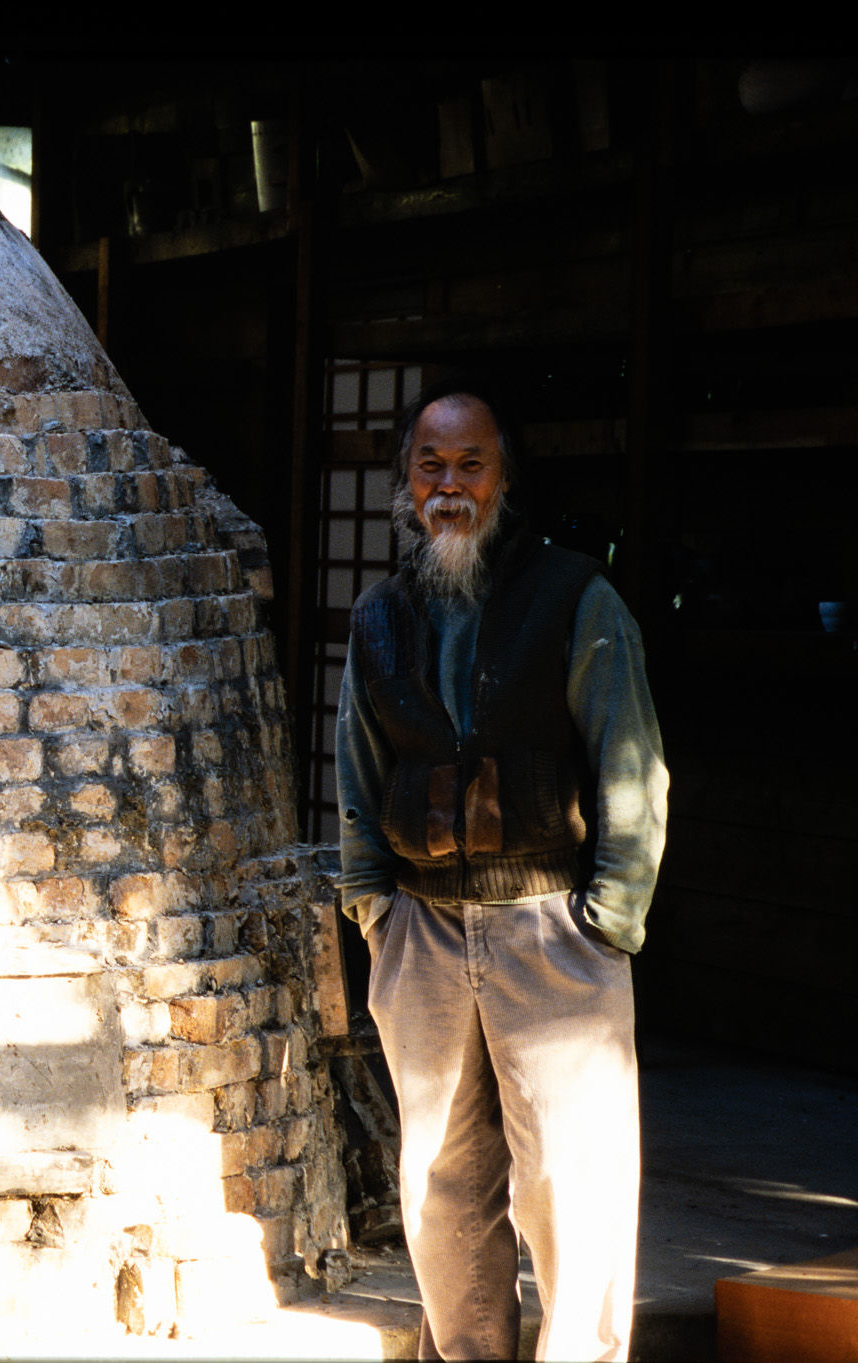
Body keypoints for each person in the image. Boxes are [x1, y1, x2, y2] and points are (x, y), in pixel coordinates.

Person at [336, 387, 668, 1361]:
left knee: (571, 1181)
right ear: (407, 482)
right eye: (429, 465)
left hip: (551, 930)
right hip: (421, 936)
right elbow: (355, 773)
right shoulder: (379, 614)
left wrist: (609, 916)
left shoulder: (574, 597)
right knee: (440, 1182)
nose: (448, 485)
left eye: (467, 463)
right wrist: (370, 909)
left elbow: (628, 757)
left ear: (502, 477)